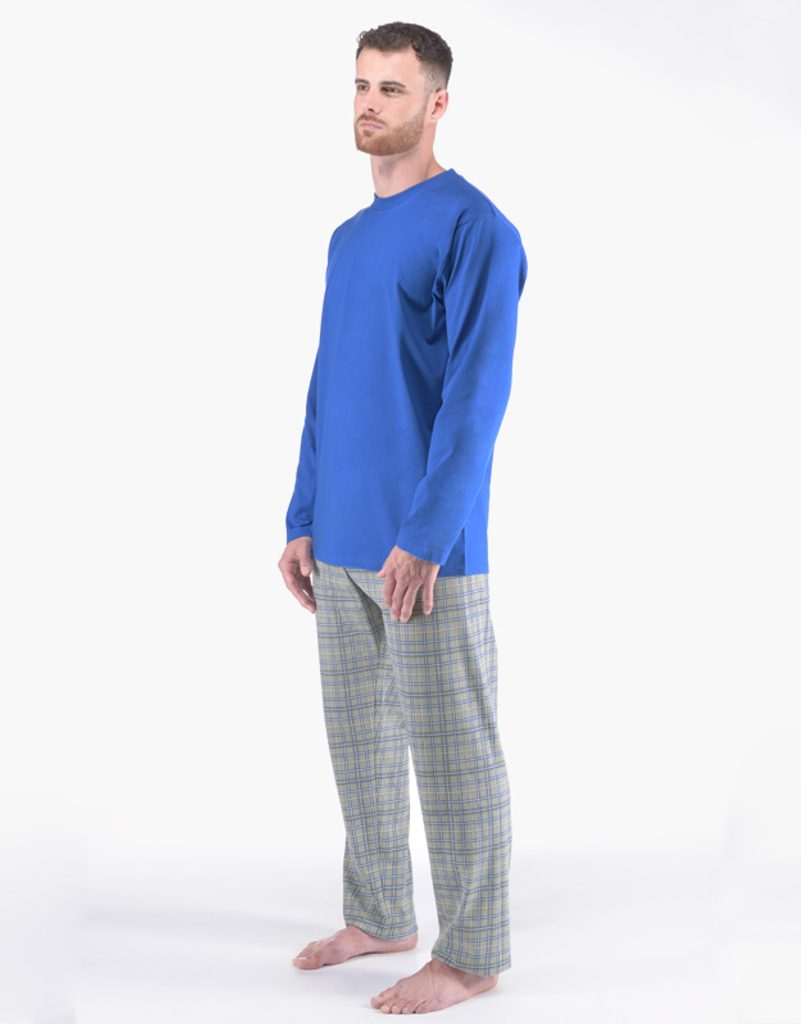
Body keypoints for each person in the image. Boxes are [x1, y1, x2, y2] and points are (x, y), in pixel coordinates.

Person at [278, 20, 528, 1015]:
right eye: (361, 85)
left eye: (392, 87)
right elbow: (329, 386)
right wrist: (301, 513)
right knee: (361, 748)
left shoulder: (477, 228)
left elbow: (476, 399)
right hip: (339, 538)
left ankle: (472, 953)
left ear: (437, 102)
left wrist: (426, 535)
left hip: (425, 548)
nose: (370, 103)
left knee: (456, 754)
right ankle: (381, 913)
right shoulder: (348, 239)